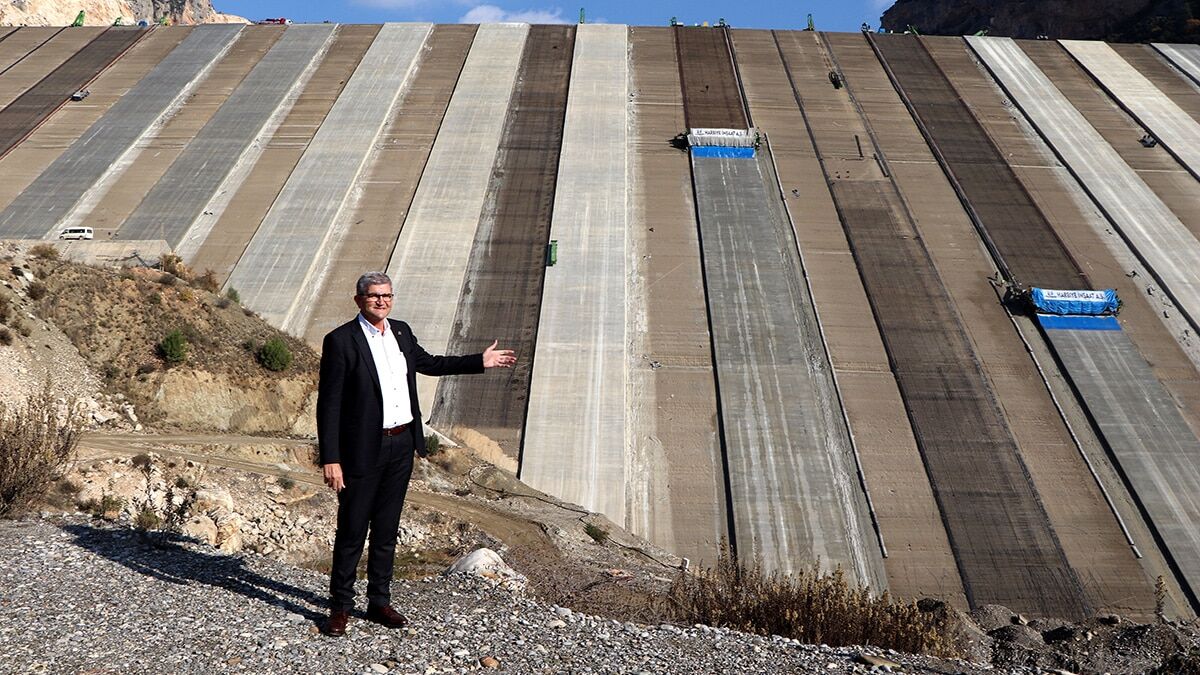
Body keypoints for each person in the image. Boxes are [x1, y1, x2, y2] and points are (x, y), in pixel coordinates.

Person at [317, 271, 515, 637]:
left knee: (387, 530)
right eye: (375, 296)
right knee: (352, 531)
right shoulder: (341, 341)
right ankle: (340, 608)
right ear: (359, 299)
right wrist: (331, 458)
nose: (382, 301)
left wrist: (478, 361)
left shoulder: (402, 332)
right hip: (362, 450)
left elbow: (431, 364)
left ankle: (379, 601)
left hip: (402, 443)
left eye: (387, 295)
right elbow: (328, 405)